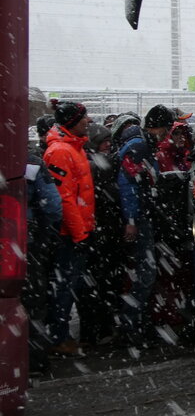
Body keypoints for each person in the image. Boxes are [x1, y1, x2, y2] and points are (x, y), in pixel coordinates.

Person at [113, 105, 173, 344]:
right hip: (139, 220)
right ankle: (131, 328)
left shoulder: (141, 144)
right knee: (145, 275)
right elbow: (128, 185)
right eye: (167, 128)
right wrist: (131, 220)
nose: (168, 134)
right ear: (158, 127)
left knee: (144, 274)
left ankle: (137, 324)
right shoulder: (139, 146)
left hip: (142, 217)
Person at [42, 101, 95, 356]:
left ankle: (60, 335)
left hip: (79, 231)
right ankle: (58, 338)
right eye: (84, 117)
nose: (89, 121)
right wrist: (79, 234)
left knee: (71, 286)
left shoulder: (75, 146)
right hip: (70, 235)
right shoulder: (61, 151)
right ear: (72, 121)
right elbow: (65, 199)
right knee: (64, 287)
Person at [77, 123, 122, 348]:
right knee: (102, 284)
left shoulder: (86, 161)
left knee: (89, 285)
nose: (108, 144)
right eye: (104, 140)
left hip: (92, 233)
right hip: (101, 233)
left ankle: (89, 332)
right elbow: (111, 196)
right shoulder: (100, 166)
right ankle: (102, 329)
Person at [23, 115, 62, 373]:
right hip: (26, 239)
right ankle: (35, 359)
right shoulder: (30, 162)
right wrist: (44, 234)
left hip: (18, 238)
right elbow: (53, 206)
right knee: (33, 300)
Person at [152, 115, 194, 336]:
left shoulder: (186, 158)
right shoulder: (160, 158)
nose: (180, 137)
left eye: (182, 133)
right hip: (168, 226)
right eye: (176, 133)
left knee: (183, 272)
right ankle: (165, 313)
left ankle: (177, 312)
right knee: (167, 274)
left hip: (184, 224)